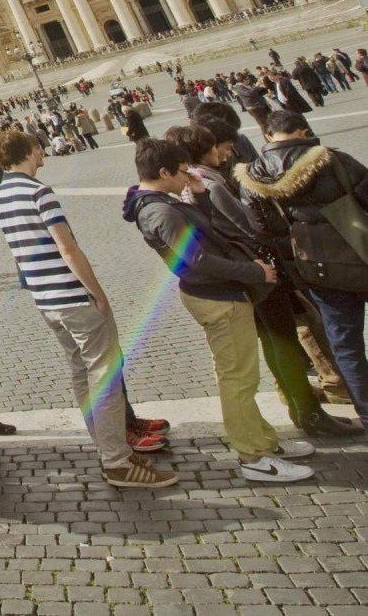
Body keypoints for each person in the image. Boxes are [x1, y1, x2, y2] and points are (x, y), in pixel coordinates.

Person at [0, 129, 177, 487]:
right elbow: (68, 247)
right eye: (38, 146)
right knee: (103, 374)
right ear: (28, 150)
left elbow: (20, 253)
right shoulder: (39, 192)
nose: (42, 151)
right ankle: (116, 461)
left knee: (82, 374)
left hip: (47, 302)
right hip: (74, 296)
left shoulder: (0, 198)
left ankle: (109, 446)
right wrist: (97, 291)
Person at [123, 136, 315, 483]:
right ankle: (253, 456)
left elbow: (204, 234)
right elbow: (197, 259)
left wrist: (198, 195)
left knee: (241, 376)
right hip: (216, 297)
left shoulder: (160, 201)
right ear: (164, 172)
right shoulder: (159, 210)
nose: (188, 176)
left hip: (218, 293)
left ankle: (264, 442)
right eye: (182, 172)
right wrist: (255, 272)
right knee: (238, 380)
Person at [174, 116, 357, 439]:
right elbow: (246, 226)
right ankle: (307, 412)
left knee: (277, 341)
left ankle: (303, 410)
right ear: (206, 149)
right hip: (257, 272)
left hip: (246, 274)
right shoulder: (210, 183)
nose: (228, 153)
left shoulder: (198, 181)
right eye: (223, 147)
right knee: (282, 340)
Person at [239, 110, 368, 429]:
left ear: (268, 135)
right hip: (360, 254)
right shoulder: (332, 159)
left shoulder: (253, 178)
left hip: (314, 269)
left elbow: (263, 232)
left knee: (345, 343)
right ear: (303, 130)